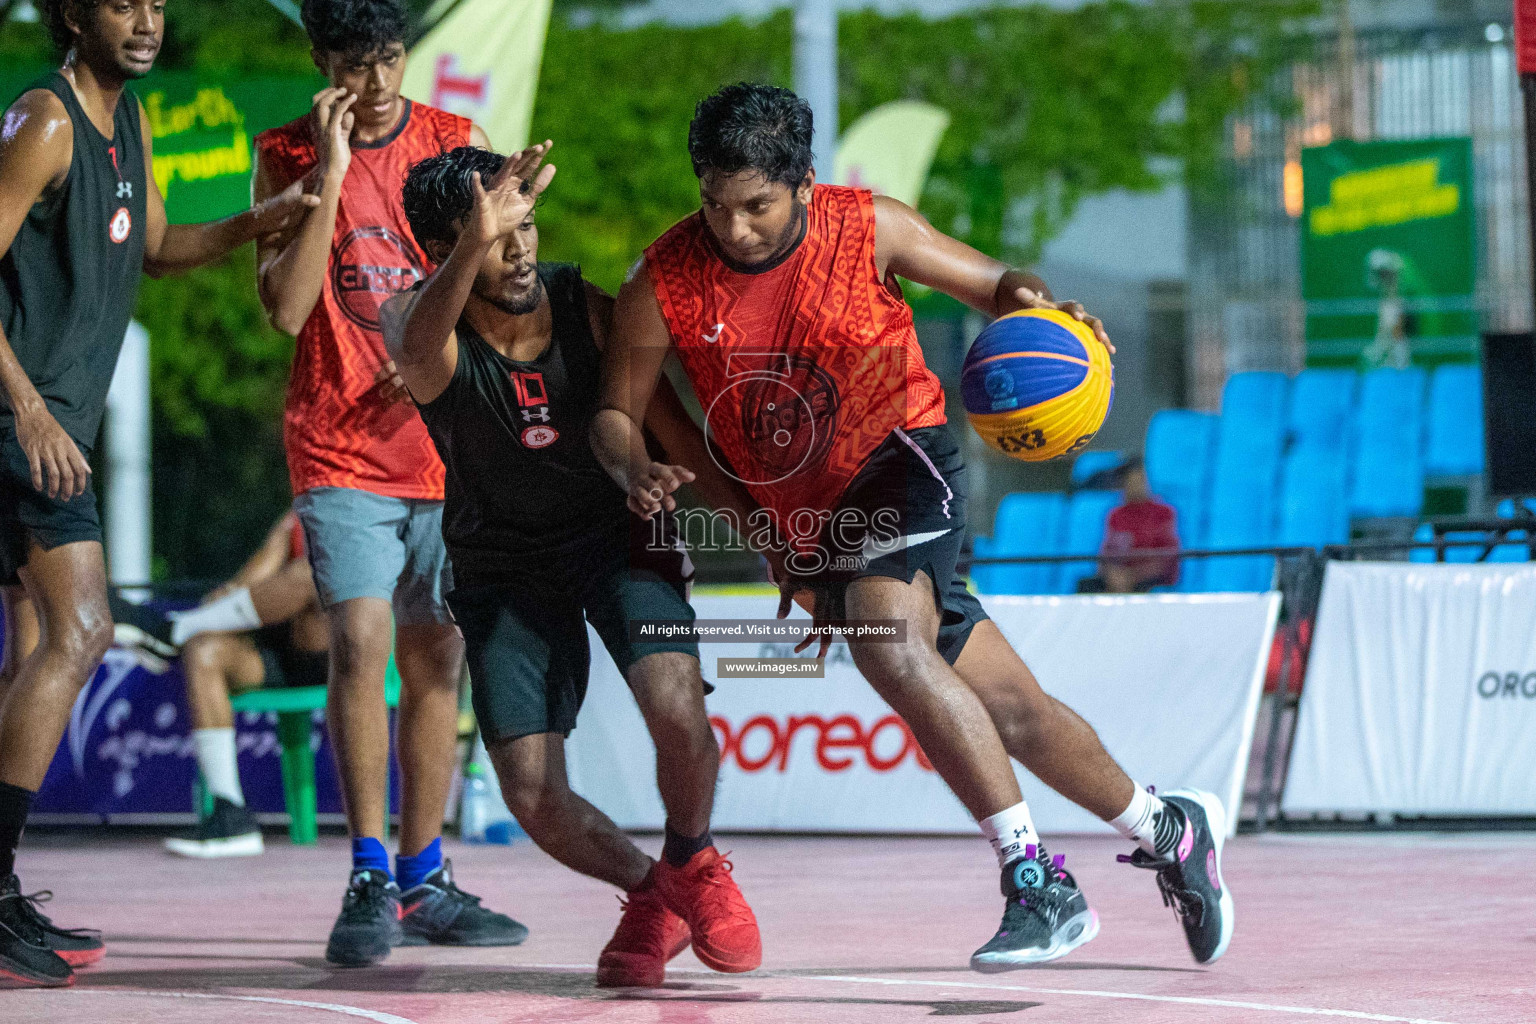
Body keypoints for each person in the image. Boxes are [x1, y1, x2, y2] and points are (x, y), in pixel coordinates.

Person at [592, 83, 1234, 972]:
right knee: (1013, 709)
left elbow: (995, 282)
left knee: (886, 639)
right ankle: (1171, 828)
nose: (733, 228)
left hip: (901, 457)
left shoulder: (870, 227)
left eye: (757, 206)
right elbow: (616, 416)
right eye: (715, 203)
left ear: (805, 184)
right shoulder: (661, 281)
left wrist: (1045, 313)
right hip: (810, 520)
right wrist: (638, 469)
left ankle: (1037, 883)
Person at [382, 143, 761, 988]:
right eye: (492, 239)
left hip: (616, 533)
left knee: (677, 707)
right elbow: (413, 345)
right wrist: (467, 245)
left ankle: (696, 858)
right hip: (502, 565)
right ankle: (659, 894)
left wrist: (764, 541)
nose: (518, 252)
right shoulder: (418, 325)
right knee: (528, 793)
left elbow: (666, 427)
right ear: (444, 253)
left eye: (525, 229)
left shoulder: (584, 307)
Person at [0, 0, 320, 987]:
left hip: (45, 427)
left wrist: (255, 223)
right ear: (71, 12)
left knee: (35, 645)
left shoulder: (128, 121)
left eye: (155, 1)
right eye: (120, 0)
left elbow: (156, 245)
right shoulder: (44, 121)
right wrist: (34, 415)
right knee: (84, 627)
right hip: (21, 427)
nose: (145, 18)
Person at [251, 0, 525, 968]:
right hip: (339, 445)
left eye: (391, 60)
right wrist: (328, 175)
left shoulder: (455, 142)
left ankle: (425, 873)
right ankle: (368, 868)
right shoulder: (285, 150)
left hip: (445, 450)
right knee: (361, 639)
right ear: (321, 61)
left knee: (439, 660)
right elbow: (287, 312)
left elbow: (503, 283)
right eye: (355, 64)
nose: (375, 84)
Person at [159, 511, 329, 859]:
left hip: (342, 655)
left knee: (310, 574)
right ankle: (230, 817)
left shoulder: (380, 499)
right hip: (277, 652)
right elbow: (240, 590)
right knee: (203, 650)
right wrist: (275, 543)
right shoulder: (298, 515)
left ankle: (172, 630)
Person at [1095, 457, 1180, 594]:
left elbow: (1166, 557)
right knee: (1087, 587)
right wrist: (1111, 573)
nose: (1134, 485)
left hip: (1150, 577)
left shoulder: (1164, 513)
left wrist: (1133, 576)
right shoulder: (1116, 515)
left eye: (1138, 479)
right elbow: (1106, 553)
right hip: (1119, 578)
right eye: (1128, 480)